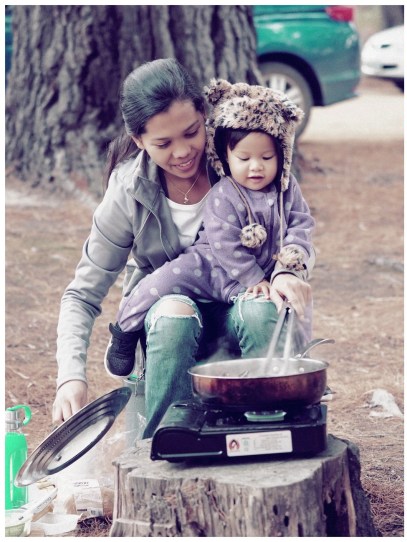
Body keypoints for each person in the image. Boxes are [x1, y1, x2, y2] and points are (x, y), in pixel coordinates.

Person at [52, 59, 313, 437]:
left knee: (260, 310)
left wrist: (289, 271)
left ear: (205, 117)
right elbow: (82, 293)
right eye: (163, 143)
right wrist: (70, 377)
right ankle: (167, 444)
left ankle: (270, 431)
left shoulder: (244, 157)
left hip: (242, 311)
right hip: (170, 332)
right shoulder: (128, 190)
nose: (183, 152)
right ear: (139, 140)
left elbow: (295, 231)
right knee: (173, 312)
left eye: (192, 133)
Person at [104, 79, 313, 378]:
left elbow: (301, 224)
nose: (256, 167)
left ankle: (295, 364)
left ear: (282, 154)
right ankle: (124, 332)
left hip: (252, 280)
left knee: (290, 305)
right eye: (244, 158)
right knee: (157, 284)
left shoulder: (286, 189)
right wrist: (254, 277)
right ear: (225, 158)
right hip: (209, 266)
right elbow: (224, 242)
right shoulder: (224, 193)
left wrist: (288, 264)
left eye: (267, 157)